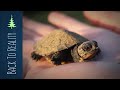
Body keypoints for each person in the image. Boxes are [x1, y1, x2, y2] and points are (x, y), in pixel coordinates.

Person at [23, 11, 120, 79]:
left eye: (94, 45)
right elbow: (56, 53)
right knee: (45, 53)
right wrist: (50, 56)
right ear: (79, 50)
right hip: (55, 42)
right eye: (87, 48)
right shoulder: (65, 52)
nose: (94, 48)